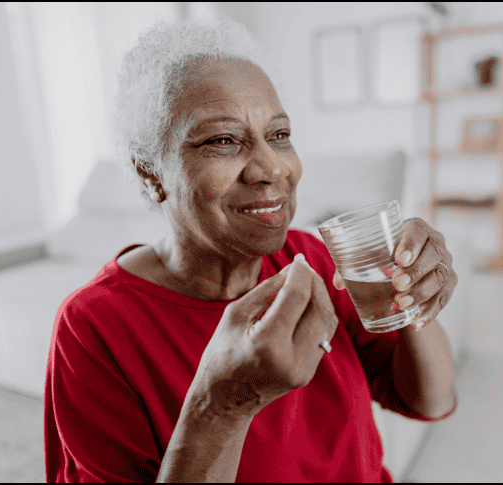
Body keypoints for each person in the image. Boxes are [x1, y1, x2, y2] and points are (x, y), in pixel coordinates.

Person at [44, 17, 459, 483]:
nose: (272, 169)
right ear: (151, 173)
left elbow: (433, 400)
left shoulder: (312, 259)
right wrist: (223, 405)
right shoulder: (93, 327)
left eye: (279, 136)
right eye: (224, 141)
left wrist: (413, 298)